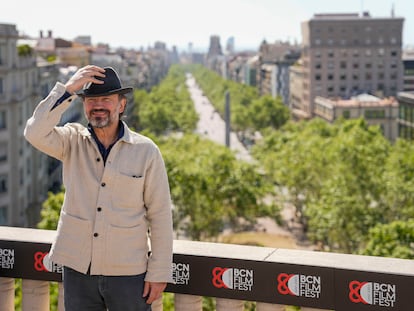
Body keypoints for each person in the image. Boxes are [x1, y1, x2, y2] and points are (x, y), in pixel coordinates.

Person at [24, 65, 174, 311]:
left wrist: (158, 272)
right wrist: (69, 89)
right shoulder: (71, 141)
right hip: (78, 271)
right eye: (92, 100)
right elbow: (34, 132)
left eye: (106, 99)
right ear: (84, 105)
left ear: (121, 105)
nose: (98, 105)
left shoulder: (146, 151)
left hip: (129, 273)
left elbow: (160, 215)